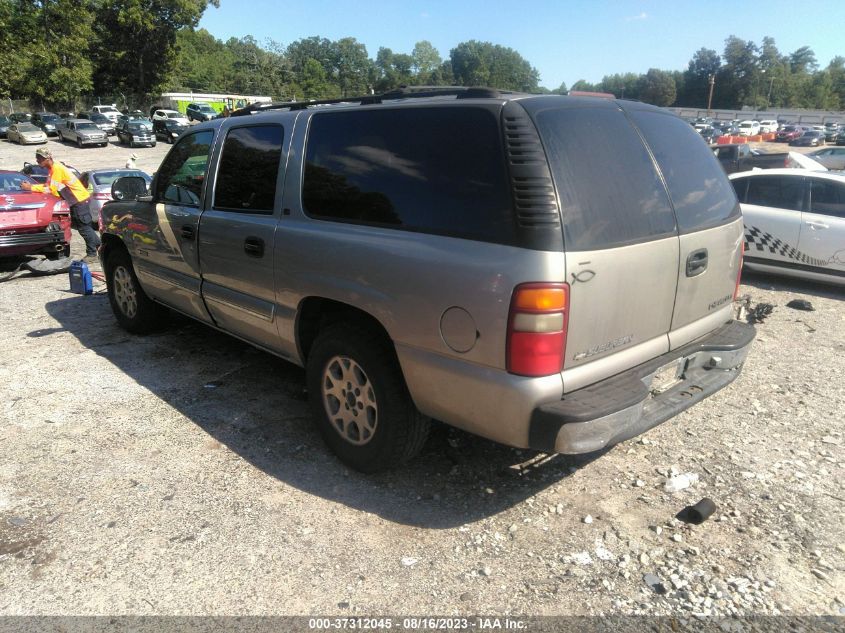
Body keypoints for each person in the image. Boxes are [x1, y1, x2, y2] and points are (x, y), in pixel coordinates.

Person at [21, 147, 100, 263]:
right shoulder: (53, 170)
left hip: (79, 201)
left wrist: (30, 187)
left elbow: (51, 190)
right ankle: (100, 245)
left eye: (39, 159)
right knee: (84, 227)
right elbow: (49, 186)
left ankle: (92, 254)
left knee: (84, 228)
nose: (37, 162)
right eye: (37, 159)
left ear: (47, 158)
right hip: (77, 201)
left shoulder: (57, 169)